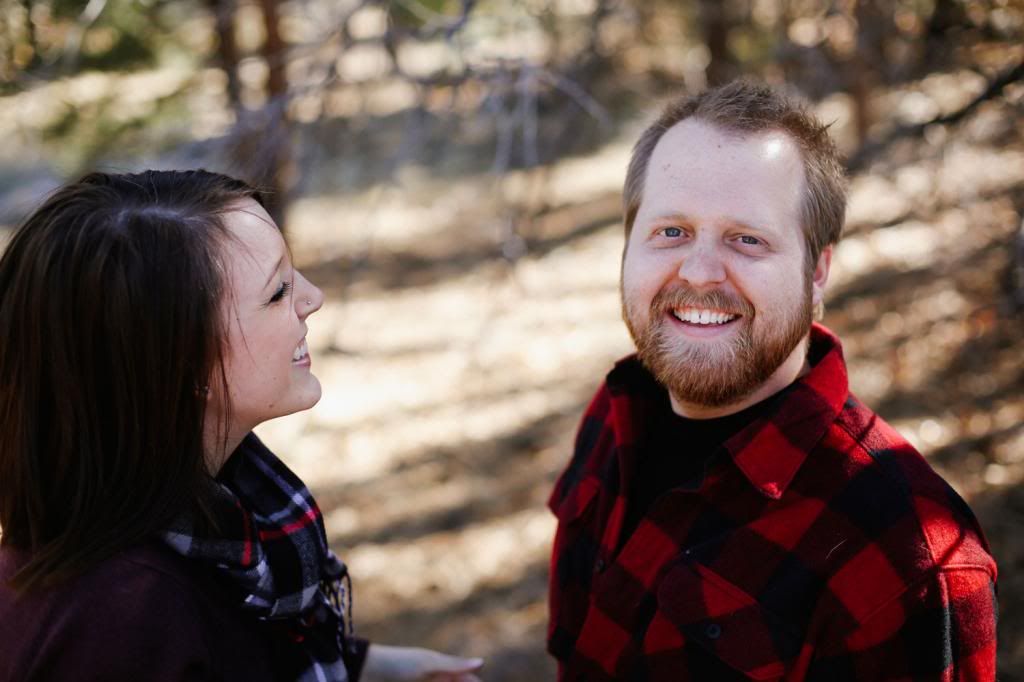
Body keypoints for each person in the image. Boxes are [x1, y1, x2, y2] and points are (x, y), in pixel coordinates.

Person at [547, 81, 998, 680]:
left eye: (748, 240)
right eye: (671, 232)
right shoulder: (617, 410)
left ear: (818, 273)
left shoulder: (910, 556)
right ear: (628, 247)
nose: (702, 272)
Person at [0, 170, 484, 682]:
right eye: (277, 292)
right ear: (180, 363)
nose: (312, 297)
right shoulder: (122, 622)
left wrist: (371, 667)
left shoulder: (213, 517)